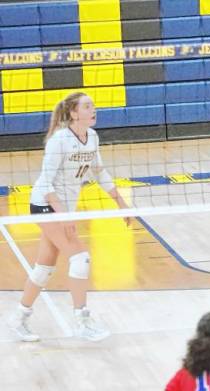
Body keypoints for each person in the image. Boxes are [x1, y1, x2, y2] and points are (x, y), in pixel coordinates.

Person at [5, 92, 130, 342]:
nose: (93, 110)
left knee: (44, 268)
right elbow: (47, 184)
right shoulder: (59, 140)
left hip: (62, 208)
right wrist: (64, 216)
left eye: (93, 105)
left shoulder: (92, 137)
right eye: (87, 106)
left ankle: (18, 318)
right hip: (45, 204)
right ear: (73, 113)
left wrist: (120, 201)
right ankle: (82, 320)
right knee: (80, 258)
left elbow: (98, 171)